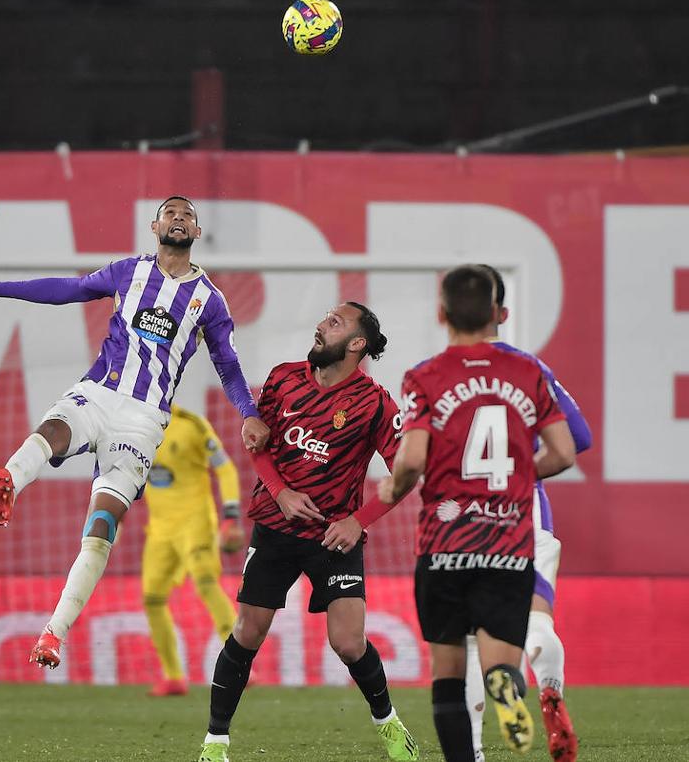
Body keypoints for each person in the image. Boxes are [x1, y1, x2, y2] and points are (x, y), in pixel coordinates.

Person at [0, 196, 269, 669]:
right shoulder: (128, 271)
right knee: (54, 427)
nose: (179, 219)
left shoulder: (209, 299)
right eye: (171, 212)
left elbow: (227, 364)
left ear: (197, 233)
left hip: (142, 421)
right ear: (154, 225)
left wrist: (247, 410)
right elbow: (67, 289)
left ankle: (52, 633)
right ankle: (9, 482)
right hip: (100, 392)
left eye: (187, 215)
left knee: (101, 529)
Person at [198, 302, 419, 762]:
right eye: (324, 318)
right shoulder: (283, 378)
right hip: (275, 529)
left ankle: (391, 726)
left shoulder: (374, 403)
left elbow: (405, 474)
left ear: (356, 344)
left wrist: (359, 521)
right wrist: (279, 492)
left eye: (334, 323)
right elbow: (258, 443)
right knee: (247, 631)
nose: (321, 325)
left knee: (348, 642)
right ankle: (214, 743)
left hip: (333, 536)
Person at [376, 265, 576, 762]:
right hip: (508, 541)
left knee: (448, 673)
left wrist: (393, 484)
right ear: (496, 313)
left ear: (441, 314)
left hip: (445, 543)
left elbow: (414, 458)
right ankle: (507, 686)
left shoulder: (423, 377)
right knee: (500, 659)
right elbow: (566, 452)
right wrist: (517, 479)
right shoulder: (528, 371)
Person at [461, 264, 592, 762]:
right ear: (503, 313)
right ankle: (540, 682)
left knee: (475, 643)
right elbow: (577, 441)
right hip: (523, 514)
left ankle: (472, 749)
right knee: (537, 619)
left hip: (466, 522)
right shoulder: (530, 371)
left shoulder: (435, 373)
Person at [142, 404, 247, 697]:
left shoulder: (192, 425)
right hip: (159, 530)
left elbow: (225, 468)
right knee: (152, 599)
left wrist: (230, 516)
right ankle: (173, 675)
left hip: (195, 523)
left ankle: (239, 662)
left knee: (205, 584)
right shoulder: (131, 427)